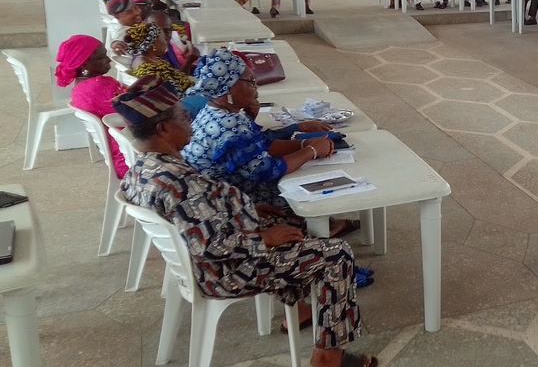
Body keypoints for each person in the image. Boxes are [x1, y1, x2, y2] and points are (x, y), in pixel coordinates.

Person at [117, 75, 378, 367]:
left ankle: (305, 309)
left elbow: (198, 218)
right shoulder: (176, 182)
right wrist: (265, 238)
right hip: (226, 269)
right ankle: (328, 359)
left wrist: (247, 208)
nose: (190, 119)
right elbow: (211, 245)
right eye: (182, 116)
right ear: (163, 129)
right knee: (336, 255)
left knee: (298, 223)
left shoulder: (142, 169)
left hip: (209, 258)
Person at [182, 50, 356, 240]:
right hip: (236, 201)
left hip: (228, 191)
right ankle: (318, 232)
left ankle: (321, 224)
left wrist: (304, 143)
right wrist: (311, 151)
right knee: (308, 192)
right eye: (250, 82)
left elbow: (263, 144)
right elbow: (268, 170)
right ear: (227, 89)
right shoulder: (227, 126)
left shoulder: (220, 110)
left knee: (304, 177)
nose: (256, 87)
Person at [55, 34, 129, 178]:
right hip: (130, 156)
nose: (109, 60)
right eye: (102, 57)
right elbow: (135, 114)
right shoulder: (98, 87)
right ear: (84, 64)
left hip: (121, 150)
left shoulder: (81, 86)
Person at [125, 23, 194, 95]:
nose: (166, 41)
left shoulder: (151, 59)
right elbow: (169, 95)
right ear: (154, 43)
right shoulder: (147, 69)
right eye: (164, 38)